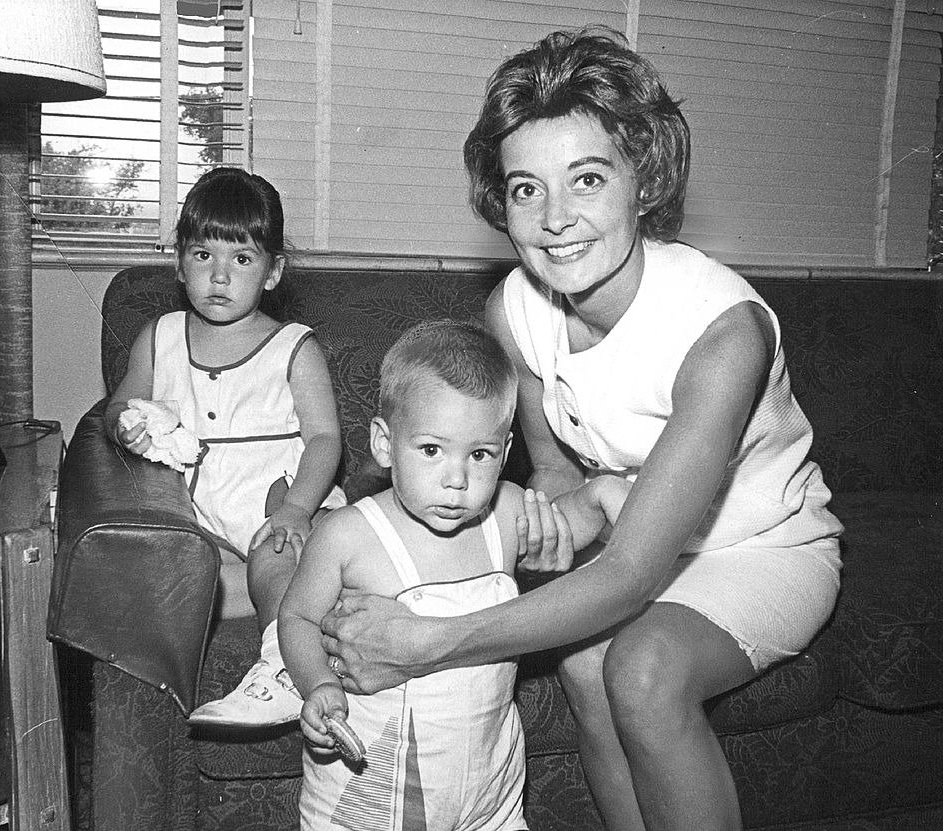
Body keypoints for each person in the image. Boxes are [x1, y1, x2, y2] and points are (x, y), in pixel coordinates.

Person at [320, 28, 844, 830]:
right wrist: (565, 509)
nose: (555, 219)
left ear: (644, 179)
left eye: (587, 178)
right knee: (585, 658)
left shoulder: (725, 332)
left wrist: (427, 639)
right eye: (527, 188)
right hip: (634, 537)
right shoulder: (513, 309)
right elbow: (555, 464)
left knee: (642, 666)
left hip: (765, 549)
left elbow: (632, 575)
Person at [279, 320, 622, 830]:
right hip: (375, 794)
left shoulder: (506, 511)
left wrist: (605, 495)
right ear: (383, 443)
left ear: (505, 454)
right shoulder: (348, 536)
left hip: (490, 793)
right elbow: (298, 617)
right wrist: (317, 684)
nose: (457, 479)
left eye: (479, 455)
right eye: (432, 450)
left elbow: (569, 522)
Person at [106, 166, 346, 727]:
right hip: (201, 518)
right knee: (174, 578)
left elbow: (326, 438)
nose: (219, 277)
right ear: (178, 262)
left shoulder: (293, 346)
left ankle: (286, 665)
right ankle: (318, 600)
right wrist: (129, 426)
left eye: (241, 259)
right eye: (201, 255)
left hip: (276, 503)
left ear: (272, 272)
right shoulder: (160, 336)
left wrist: (297, 509)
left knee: (275, 559)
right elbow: (118, 406)